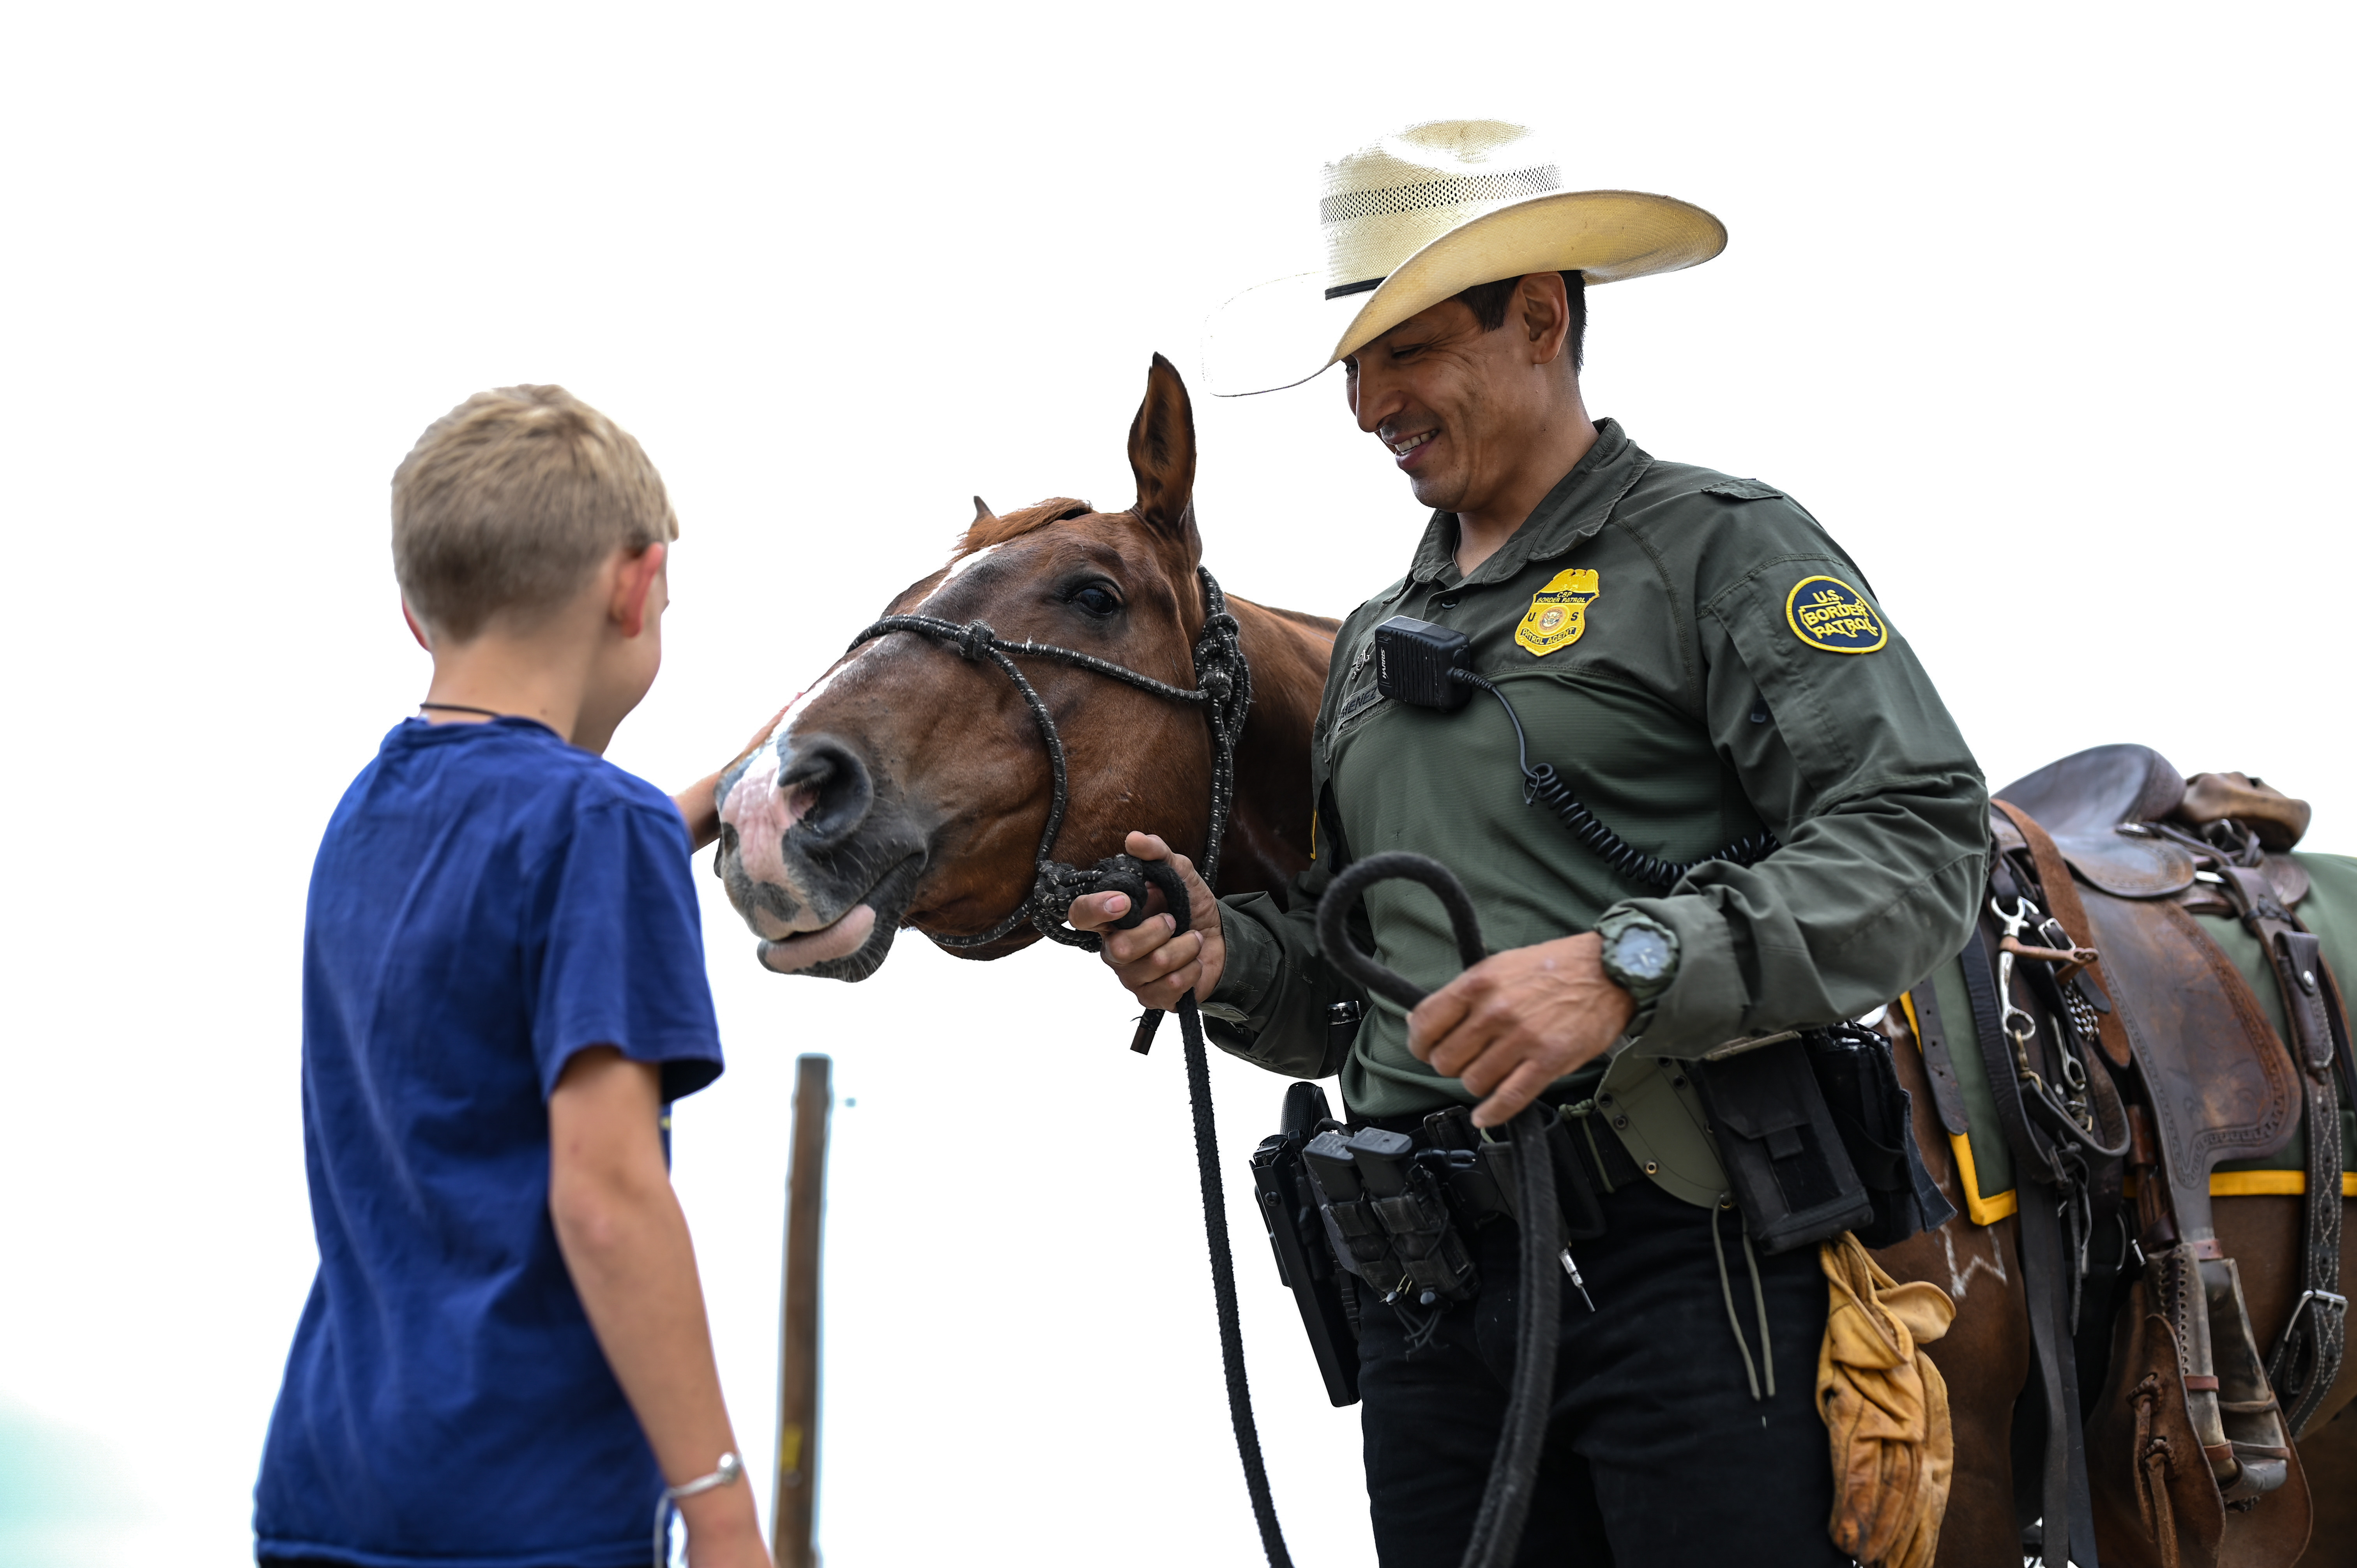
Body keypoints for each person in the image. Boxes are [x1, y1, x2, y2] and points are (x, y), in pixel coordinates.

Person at [1072, 121, 1987, 1565]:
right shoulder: (1381, 639)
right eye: (1357, 365)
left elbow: (1923, 842)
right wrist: (1224, 957)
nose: (1370, 401)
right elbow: (1352, 979)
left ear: (1543, 317)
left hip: (1686, 1276)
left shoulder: (1720, 549)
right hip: (1428, 1311)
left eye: (1409, 351)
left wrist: (1627, 967)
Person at [254, 385, 772, 1568]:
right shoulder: (600, 831)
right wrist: (724, 1512)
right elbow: (606, 1198)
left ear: (416, 614)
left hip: (331, 1489)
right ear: (635, 587)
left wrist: (706, 800)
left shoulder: (370, 809)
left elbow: (526, 866)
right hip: (528, 1513)